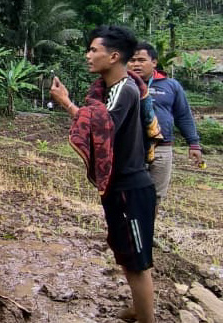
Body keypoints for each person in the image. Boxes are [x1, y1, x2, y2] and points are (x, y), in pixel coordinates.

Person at [50, 26, 156, 323]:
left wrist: (66, 102)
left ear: (113, 56)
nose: (88, 55)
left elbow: (102, 128)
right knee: (126, 253)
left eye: (94, 50)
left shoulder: (125, 89)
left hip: (130, 189)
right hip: (119, 187)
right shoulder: (109, 90)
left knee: (137, 263)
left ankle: (146, 317)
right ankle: (139, 308)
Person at [128, 42, 203, 201]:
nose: (136, 64)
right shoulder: (123, 84)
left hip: (162, 148)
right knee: (129, 193)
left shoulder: (171, 85)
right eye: (132, 60)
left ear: (154, 62)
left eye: (141, 60)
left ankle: (149, 219)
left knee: (155, 196)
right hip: (131, 148)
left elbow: (183, 116)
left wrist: (194, 144)